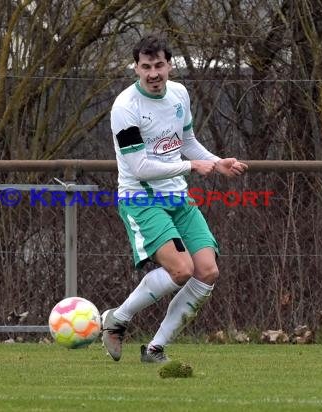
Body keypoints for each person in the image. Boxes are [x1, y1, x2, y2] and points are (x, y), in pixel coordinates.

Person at [102, 34, 248, 363]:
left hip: (178, 197)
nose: (153, 73)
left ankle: (155, 348)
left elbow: (189, 140)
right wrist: (192, 166)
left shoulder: (179, 94)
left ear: (170, 65)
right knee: (181, 270)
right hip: (142, 199)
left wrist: (215, 162)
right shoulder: (125, 108)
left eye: (159, 65)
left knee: (207, 271)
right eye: (146, 67)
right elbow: (139, 167)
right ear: (136, 69)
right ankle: (117, 320)